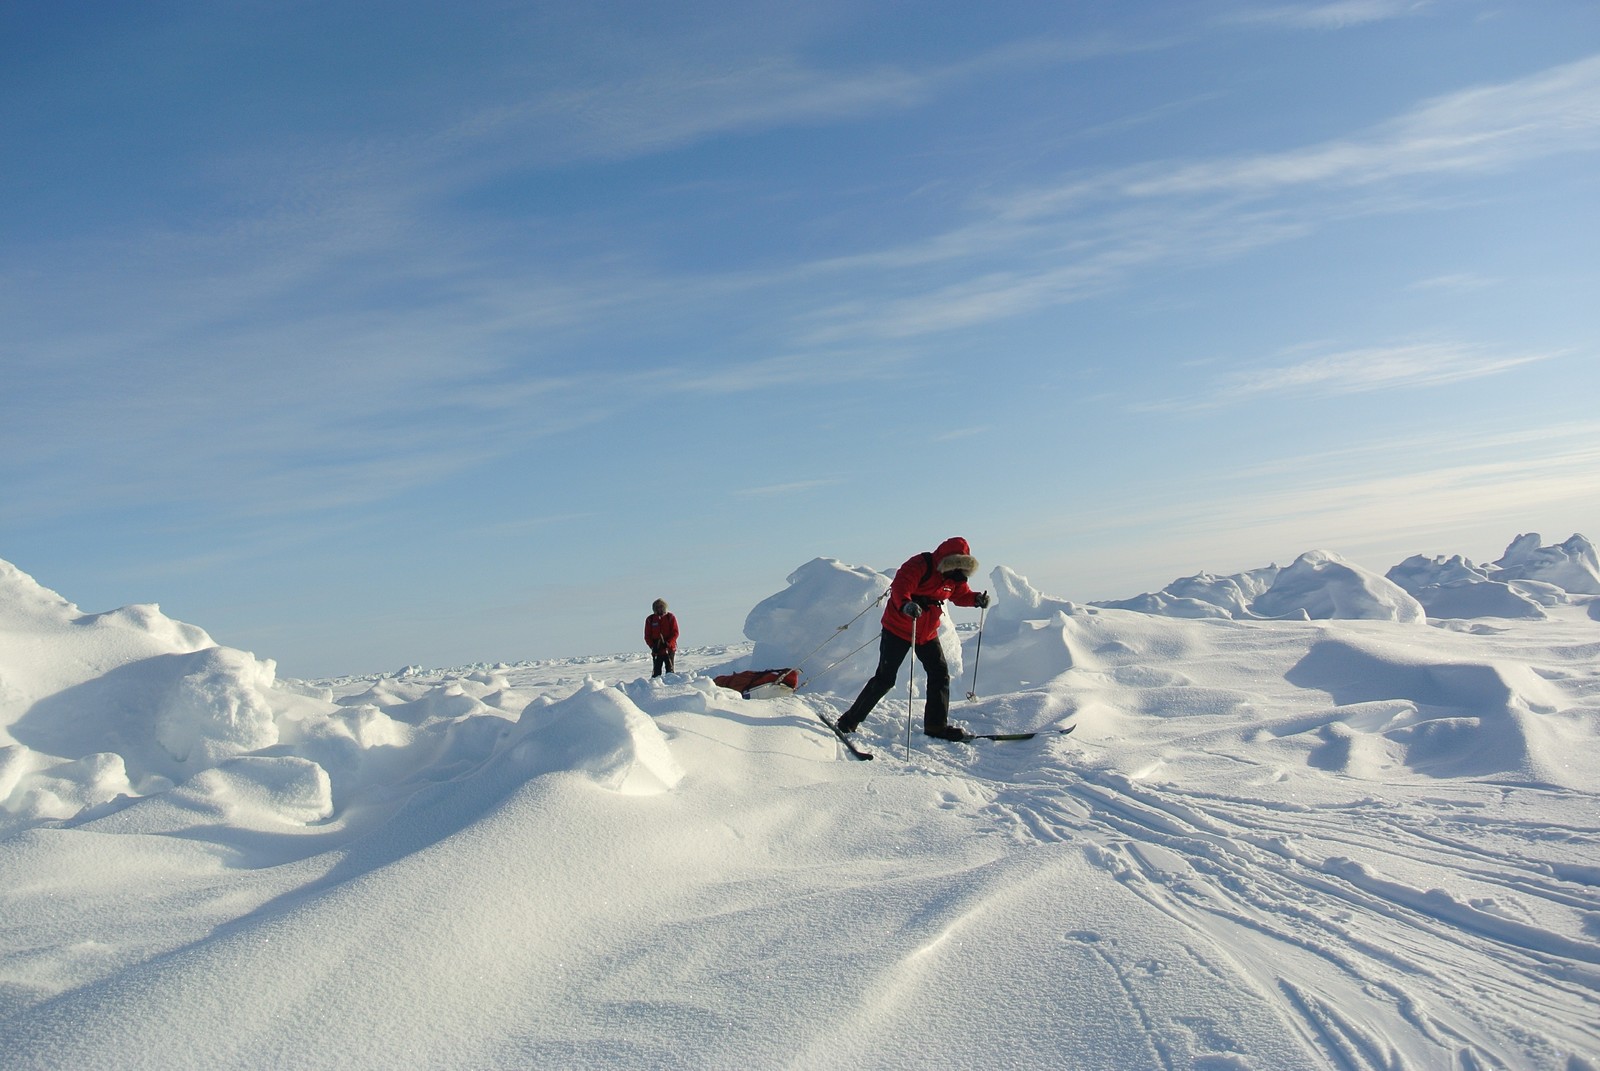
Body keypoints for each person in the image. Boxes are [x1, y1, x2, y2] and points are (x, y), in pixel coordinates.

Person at [835, 537, 990, 741]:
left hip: (926, 633)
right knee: (885, 679)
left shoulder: (954, 577)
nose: (957, 573)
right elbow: (901, 588)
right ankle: (848, 722)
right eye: (955, 567)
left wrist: (975, 599)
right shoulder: (920, 565)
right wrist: (906, 605)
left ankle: (936, 726)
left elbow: (960, 595)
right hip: (898, 628)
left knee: (940, 675)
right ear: (948, 561)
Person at [645, 598, 679, 678]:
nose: (659, 608)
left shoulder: (670, 617)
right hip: (657, 650)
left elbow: (675, 632)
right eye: (657, 607)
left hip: (669, 649)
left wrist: (669, 643)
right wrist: (653, 646)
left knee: (670, 672)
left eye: (661, 606)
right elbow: (647, 636)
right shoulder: (650, 619)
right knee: (656, 673)